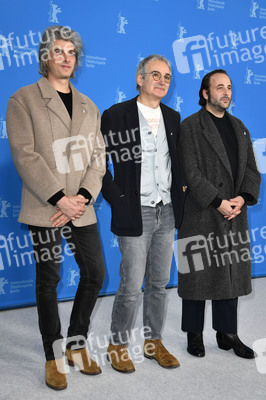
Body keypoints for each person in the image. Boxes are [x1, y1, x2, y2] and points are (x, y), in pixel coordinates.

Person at [6, 25, 106, 390]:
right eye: (59, 51)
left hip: (81, 206)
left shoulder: (89, 105)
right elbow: (25, 155)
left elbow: (98, 158)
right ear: (45, 56)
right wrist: (58, 198)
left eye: (72, 52)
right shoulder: (23, 99)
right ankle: (54, 354)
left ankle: (78, 343)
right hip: (44, 205)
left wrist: (80, 198)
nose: (66, 58)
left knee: (95, 274)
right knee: (49, 279)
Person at [101, 55, 186, 373]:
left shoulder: (173, 117)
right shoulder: (116, 115)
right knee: (131, 282)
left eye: (167, 76)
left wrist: (182, 193)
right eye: (155, 74)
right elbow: (98, 163)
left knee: (159, 282)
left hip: (166, 212)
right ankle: (117, 344)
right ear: (140, 79)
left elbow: (176, 164)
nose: (162, 80)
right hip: (134, 212)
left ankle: (154, 342)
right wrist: (118, 200)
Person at [177, 69, 261, 359]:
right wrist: (218, 201)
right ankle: (194, 334)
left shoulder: (240, 127)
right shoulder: (190, 126)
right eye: (219, 88)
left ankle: (227, 333)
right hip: (203, 211)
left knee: (230, 274)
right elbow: (190, 171)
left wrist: (241, 199)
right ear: (205, 94)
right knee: (197, 274)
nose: (226, 93)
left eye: (228, 87)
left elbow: (251, 169)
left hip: (234, 213)